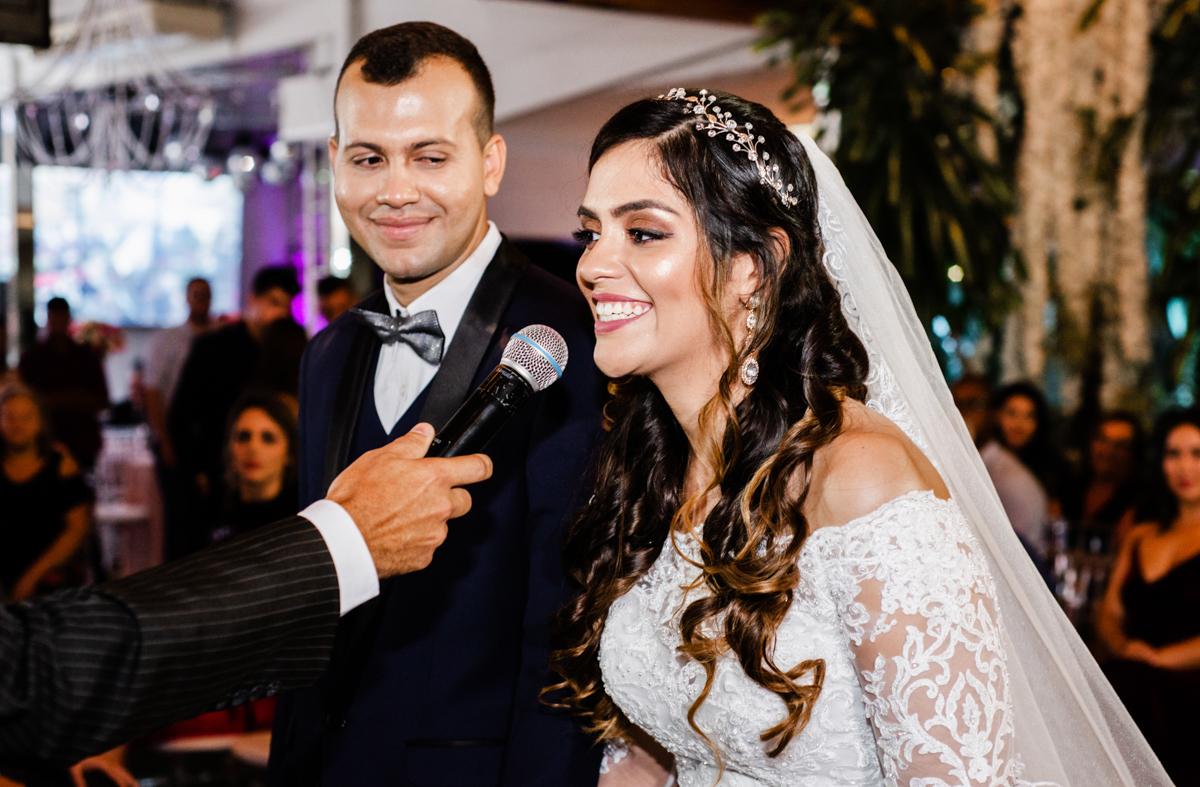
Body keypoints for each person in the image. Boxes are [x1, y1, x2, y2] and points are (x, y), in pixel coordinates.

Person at [548, 90, 1169, 786]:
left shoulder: (864, 477)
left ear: (755, 264)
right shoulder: (655, 470)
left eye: (643, 232)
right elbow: (647, 756)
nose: (593, 265)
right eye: (590, 232)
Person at [269, 23, 604, 787]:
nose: (395, 190)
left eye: (429, 156)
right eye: (368, 158)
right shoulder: (327, 354)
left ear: (490, 163)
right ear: (333, 163)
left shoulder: (574, 342)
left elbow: (567, 636)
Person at [0, 424, 492, 783]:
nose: (252, 449)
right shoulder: (209, 516)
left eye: (268, 437)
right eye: (241, 437)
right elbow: (42, 673)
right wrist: (346, 540)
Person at [168, 266, 301, 558]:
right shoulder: (213, 347)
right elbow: (181, 414)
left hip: (271, 484)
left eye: (286, 307)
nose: (280, 314)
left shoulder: (288, 348)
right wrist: (197, 471)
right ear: (253, 300)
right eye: (274, 303)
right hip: (215, 477)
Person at [1098, 408, 1200, 787]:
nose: (1184, 467)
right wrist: (1126, 647)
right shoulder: (1141, 533)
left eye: (1197, 453)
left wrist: (1159, 659)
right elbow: (1108, 612)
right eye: (1174, 453)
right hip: (1132, 674)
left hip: (1188, 686)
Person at [0, 386, 93, 602]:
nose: (17, 425)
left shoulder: (61, 466)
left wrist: (31, 577)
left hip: (50, 577)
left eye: (26, 417)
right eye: (9, 417)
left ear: (40, 421)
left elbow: (77, 529)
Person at [18, 298, 110, 470]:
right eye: (54, 318)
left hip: (82, 445)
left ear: (68, 319)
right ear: (48, 320)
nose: (58, 323)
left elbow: (103, 400)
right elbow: (26, 401)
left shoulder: (86, 357)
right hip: (45, 444)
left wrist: (55, 400)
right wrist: (73, 398)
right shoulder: (33, 359)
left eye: (61, 318)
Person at [979, 383, 1056, 561]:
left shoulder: (1050, 469)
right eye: (1011, 413)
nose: (1019, 425)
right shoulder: (990, 457)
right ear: (996, 415)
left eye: (1029, 416)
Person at [144, 278, 213, 472]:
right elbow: (152, 391)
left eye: (205, 295)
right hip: (176, 433)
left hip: (209, 436)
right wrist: (164, 440)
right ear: (187, 299)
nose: (201, 301)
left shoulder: (220, 339)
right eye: (196, 295)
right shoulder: (166, 340)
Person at [1062, 411, 1144, 552]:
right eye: (1102, 440)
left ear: (1134, 452)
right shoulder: (1068, 488)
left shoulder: (1141, 501)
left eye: (1121, 445)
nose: (1108, 451)